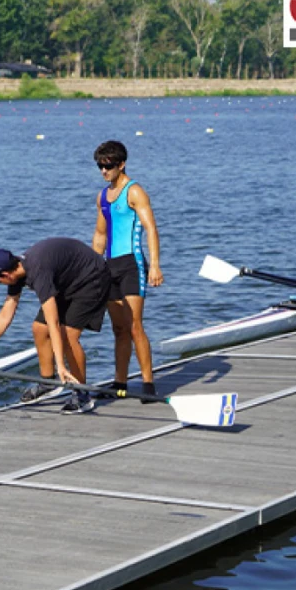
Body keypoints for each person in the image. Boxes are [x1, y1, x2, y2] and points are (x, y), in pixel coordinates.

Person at [0, 238, 110, 414]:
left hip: (92, 278)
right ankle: (48, 382)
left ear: (6, 275)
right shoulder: (17, 271)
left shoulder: (38, 271)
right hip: (66, 281)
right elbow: (6, 314)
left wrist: (61, 365)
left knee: (68, 336)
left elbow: (54, 322)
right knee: (38, 328)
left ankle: (82, 394)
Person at [91, 140, 162, 397]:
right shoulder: (102, 196)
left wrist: (154, 265)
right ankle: (119, 383)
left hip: (133, 265)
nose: (103, 171)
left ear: (121, 164)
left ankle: (148, 384)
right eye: (100, 166)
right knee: (118, 328)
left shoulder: (135, 192)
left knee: (134, 326)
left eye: (108, 166)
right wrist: (91, 268)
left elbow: (151, 229)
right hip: (110, 267)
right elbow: (100, 235)